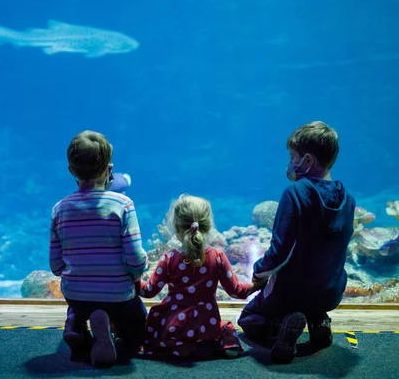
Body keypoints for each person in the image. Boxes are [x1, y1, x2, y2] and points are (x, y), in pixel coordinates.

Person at [238, 121, 356, 364]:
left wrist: (259, 273)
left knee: (249, 319)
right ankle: (317, 319)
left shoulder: (294, 194)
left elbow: (280, 252)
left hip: (293, 292)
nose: (291, 163)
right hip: (330, 291)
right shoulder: (349, 199)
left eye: (293, 156)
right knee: (311, 294)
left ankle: (283, 325)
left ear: (308, 161)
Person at [49, 130, 149, 368]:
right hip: (119, 296)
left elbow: (55, 266)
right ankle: (117, 329)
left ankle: (76, 323)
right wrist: (134, 274)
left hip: (77, 294)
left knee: (80, 303)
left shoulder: (59, 209)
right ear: (109, 169)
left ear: (71, 171)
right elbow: (135, 258)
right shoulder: (123, 205)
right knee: (138, 331)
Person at [138, 194, 266, 359]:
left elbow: (148, 291)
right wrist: (258, 284)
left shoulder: (169, 259)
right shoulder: (218, 257)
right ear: (208, 226)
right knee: (225, 328)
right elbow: (237, 292)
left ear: (176, 228)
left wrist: (132, 278)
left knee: (152, 328)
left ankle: (181, 346)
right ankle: (214, 344)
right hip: (207, 326)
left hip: (174, 327)